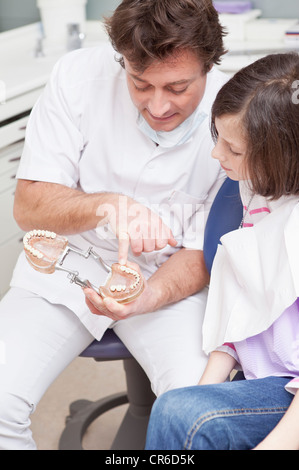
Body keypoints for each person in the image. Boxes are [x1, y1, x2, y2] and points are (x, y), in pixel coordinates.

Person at [0, 0, 228, 449]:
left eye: (178, 87)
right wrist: (107, 205)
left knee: (200, 417)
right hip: (68, 265)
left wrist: (149, 296)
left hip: (169, 282)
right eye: (139, 83)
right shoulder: (78, 78)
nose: (157, 105)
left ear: (208, 65)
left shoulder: (237, 110)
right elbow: (29, 205)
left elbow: (206, 251)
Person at [145, 52, 299, 451]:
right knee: (179, 408)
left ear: (282, 155)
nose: (218, 156)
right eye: (219, 141)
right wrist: (199, 395)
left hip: (289, 388)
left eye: (233, 149)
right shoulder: (261, 200)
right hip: (262, 377)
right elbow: (241, 312)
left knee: (184, 416)